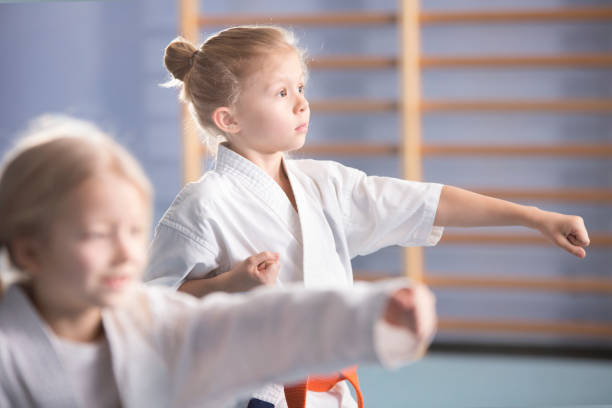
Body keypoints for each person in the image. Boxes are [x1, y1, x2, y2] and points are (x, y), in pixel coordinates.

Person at [146, 26, 591, 408]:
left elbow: (426, 202)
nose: (301, 104)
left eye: (300, 87)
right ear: (230, 119)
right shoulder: (204, 204)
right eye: (281, 93)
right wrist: (229, 285)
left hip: (335, 390)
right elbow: (148, 311)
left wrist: (533, 217)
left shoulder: (326, 185)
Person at [0, 116, 438, 408]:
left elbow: (262, 324)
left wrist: (372, 313)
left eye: (134, 232)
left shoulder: (152, 321)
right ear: (29, 250)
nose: (125, 254)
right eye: (97, 235)